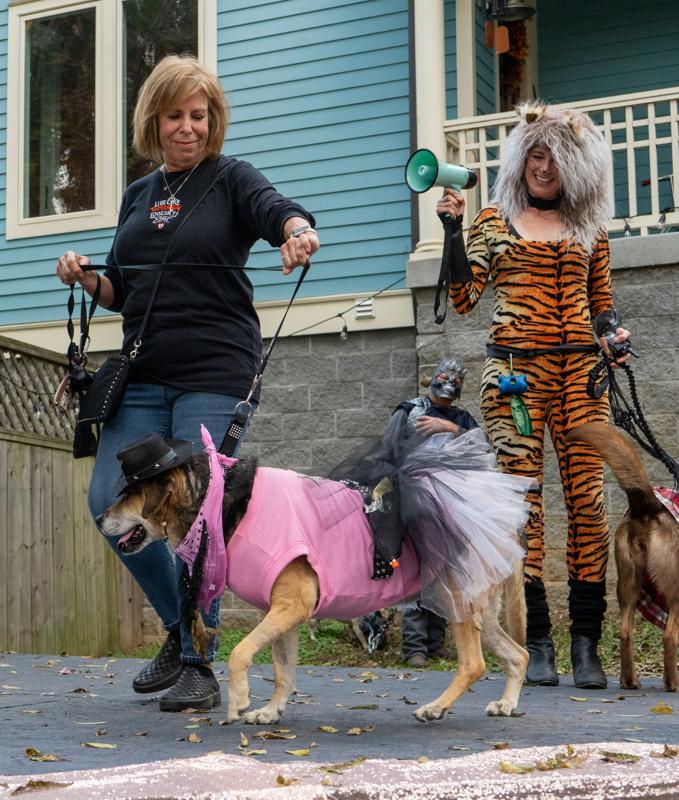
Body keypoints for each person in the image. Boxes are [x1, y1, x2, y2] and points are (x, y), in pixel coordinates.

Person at [55, 55, 319, 712]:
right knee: (108, 499)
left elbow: (276, 210)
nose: (187, 127)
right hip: (144, 372)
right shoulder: (139, 195)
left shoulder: (231, 179)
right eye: (174, 115)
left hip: (216, 371)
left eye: (198, 115)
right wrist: (87, 278)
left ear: (212, 120)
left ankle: (199, 665)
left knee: (198, 512)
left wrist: (296, 231)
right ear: (154, 120)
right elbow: (122, 289)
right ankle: (182, 630)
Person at [437, 102, 632, 690]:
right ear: (522, 160)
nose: (544, 168)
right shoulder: (493, 220)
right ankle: (537, 640)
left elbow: (602, 303)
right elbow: (464, 298)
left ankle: (586, 643)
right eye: (535, 155)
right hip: (515, 379)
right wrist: (452, 230)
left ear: (576, 166)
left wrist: (613, 336)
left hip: (582, 377)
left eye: (556, 158)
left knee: (587, 503)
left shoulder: (589, 227)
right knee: (523, 507)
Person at [382, 357, 478, 667]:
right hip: (415, 499)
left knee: (443, 569)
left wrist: (450, 428)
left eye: (457, 380)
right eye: (445, 376)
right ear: (433, 378)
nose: (450, 383)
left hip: (452, 502)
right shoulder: (410, 410)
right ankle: (415, 647)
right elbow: (389, 450)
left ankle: (436, 643)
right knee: (418, 568)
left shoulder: (463, 419)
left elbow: (480, 450)